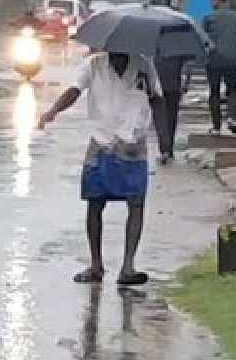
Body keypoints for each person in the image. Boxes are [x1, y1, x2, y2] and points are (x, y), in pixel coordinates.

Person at [38, 50, 161, 286]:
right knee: (94, 203)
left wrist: (166, 142)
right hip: (101, 141)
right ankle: (96, 265)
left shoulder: (145, 66)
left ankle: (128, 266)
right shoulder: (93, 65)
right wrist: (53, 111)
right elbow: (74, 90)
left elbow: (157, 98)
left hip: (133, 144)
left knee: (136, 203)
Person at [203, 0, 236, 135]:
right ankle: (231, 117)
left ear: (217, 0)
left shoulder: (208, 18)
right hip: (233, 59)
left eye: (212, 0)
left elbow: (204, 40)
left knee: (214, 92)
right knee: (232, 90)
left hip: (214, 60)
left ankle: (216, 126)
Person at [150, 54, 190, 164]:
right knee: (171, 118)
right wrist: (185, 83)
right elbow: (186, 68)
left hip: (158, 87)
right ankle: (169, 148)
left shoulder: (154, 45)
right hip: (174, 86)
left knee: (160, 119)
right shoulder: (178, 47)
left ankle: (164, 149)